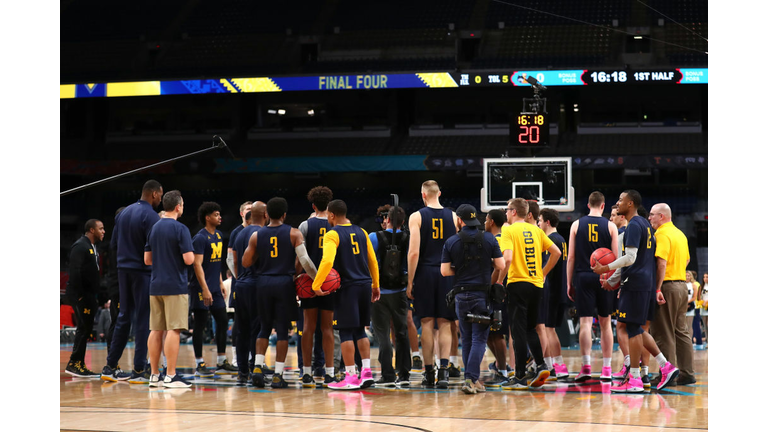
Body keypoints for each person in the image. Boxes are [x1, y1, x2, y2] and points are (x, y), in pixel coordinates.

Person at [593, 190, 679, 392]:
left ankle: (634, 380)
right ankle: (665, 366)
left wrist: (606, 269)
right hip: (645, 283)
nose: (618, 202)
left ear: (630, 204)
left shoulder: (633, 225)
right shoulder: (646, 226)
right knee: (636, 328)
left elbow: (630, 258)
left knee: (631, 329)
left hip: (636, 283)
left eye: (621, 200)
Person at [243, 197, 318, 389]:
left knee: (264, 328)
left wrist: (261, 254)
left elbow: (245, 262)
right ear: (285, 215)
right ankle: (277, 374)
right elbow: (305, 260)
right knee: (283, 331)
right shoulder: (294, 233)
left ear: (267, 215)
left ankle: (258, 367)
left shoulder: (256, 236)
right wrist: (316, 279)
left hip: (263, 282)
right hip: (284, 282)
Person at [313, 199, 380, 390]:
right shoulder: (362, 231)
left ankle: (350, 376)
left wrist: (317, 284)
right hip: (364, 284)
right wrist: (375, 285)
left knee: (345, 332)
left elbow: (327, 261)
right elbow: (372, 261)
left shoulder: (332, 234)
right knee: (360, 330)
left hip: (347, 287)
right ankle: (366, 373)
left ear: (332, 215)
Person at [102, 180, 163, 382]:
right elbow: (154, 249)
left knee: (123, 316)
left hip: (122, 270)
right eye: (160, 195)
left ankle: (110, 367)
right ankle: (138, 369)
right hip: (142, 271)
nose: (160, 200)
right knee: (143, 319)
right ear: (154, 194)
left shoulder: (124, 213)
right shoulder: (152, 216)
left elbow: (114, 244)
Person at [498, 198, 561, 390]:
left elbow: (507, 258)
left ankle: (519, 377)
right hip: (536, 285)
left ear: (514, 212)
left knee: (517, 332)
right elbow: (556, 252)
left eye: (507, 210)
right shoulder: (536, 230)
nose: (506, 213)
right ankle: (541, 365)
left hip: (518, 283)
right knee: (530, 328)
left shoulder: (508, 230)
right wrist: (543, 272)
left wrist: (500, 280)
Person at [441, 204, 505, 394]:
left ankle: (471, 379)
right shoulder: (489, 238)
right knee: (479, 338)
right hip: (481, 295)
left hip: (461, 295)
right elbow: (500, 265)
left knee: (467, 338)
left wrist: (461, 269)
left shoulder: (451, 241)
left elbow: (444, 271)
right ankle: (471, 379)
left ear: (460, 220)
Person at [406, 180, 458, 388]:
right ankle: (444, 372)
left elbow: (414, 252)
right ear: (440, 193)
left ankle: (429, 373)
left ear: (423, 195)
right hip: (447, 273)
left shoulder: (417, 216)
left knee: (427, 323)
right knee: (445, 322)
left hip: (425, 272)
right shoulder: (453, 216)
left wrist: (410, 281)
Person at [567, 191, 619, 382]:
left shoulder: (576, 224)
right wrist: (614, 281)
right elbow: (616, 257)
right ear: (603, 206)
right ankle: (606, 369)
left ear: (588, 205)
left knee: (585, 323)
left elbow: (570, 257)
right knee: (605, 323)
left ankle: (586, 366)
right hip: (604, 277)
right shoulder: (611, 226)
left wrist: (569, 282)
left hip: (583, 275)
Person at [144, 190, 194, 388]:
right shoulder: (180, 228)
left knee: (156, 330)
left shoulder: (154, 228)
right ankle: (171, 375)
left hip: (155, 285)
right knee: (174, 329)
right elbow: (189, 259)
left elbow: (147, 260)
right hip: (175, 285)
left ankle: (154, 375)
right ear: (178, 206)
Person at [648, 203, 696, 386]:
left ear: (661, 216)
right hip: (682, 286)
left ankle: (667, 375)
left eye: (652, 215)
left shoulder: (661, 234)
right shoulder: (680, 234)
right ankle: (687, 372)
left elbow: (661, 262)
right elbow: (687, 259)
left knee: (663, 332)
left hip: (667, 286)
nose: (649, 218)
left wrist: (657, 288)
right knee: (681, 331)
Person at [189, 202, 238, 377]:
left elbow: (215, 264)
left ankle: (221, 361)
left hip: (215, 289)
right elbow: (197, 265)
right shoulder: (200, 238)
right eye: (216, 215)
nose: (220, 217)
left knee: (223, 321)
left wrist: (219, 284)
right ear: (207, 217)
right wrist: (205, 289)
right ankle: (199, 363)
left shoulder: (218, 235)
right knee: (200, 325)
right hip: (201, 289)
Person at [297, 186, 337, 387]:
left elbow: (300, 257)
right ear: (329, 205)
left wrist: (297, 277)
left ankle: (306, 372)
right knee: (328, 328)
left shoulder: (305, 225)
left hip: (309, 283)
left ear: (313, 205)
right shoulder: (335, 224)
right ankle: (329, 373)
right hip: (330, 282)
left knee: (307, 328)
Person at [369, 205, 411, 387]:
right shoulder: (409, 238)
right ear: (403, 222)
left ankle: (387, 374)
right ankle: (404, 375)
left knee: (383, 334)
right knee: (401, 333)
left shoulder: (374, 237)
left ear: (387, 219)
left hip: (379, 291)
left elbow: (367, 263)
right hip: (401, 291)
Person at [230, 202, 267, 384]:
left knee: (241, 330)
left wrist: (239, 278)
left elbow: (235, 261)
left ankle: (242, 371)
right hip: (256, 285)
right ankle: (255, 369)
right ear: (265, 215)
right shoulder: (262, 233)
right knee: (256, 329)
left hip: (241, 284)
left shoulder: (239, 233)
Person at [65, 219, 106, 377]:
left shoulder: (92, 247)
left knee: (86, 329)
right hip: (81, 295)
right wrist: (80, 296)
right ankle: (74, 363)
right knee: (83, 329)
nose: (103, 231)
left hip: (89, 295)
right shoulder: (80, 246)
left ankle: (79, 363)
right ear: (91, 230)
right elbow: (74, 272)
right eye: (100, 229)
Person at [538, 208, 570, 380]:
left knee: (548, 330)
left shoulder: (549, 241)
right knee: (550, 329)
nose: (538, 224)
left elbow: (546, 269)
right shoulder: (561, 239)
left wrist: (541, 274)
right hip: (560, 289)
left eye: (540, 221)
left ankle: (558, 365)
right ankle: (551, 365)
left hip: (551, 290)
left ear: (547, 222)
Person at [483, 209, 513, 386]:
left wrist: (494, 283)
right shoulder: (505, 238)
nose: (484, 223)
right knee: (488, 332)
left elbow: (502, 265)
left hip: (497, 290)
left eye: (486, 219)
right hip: (499, 288)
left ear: (492, 221)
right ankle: (500, 365)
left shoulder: (495, 240)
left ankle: (502, 371)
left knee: (497, 332)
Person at [226, 201, 252, 366]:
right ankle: (236, 357)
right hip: (241, 281)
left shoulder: (259, 230)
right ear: (242, 213)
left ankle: (253, 357)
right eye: (248, 209)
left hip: (253, 282)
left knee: (255, 319)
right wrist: (240, 276)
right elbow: (230, 259)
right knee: (239, 319)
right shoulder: (237, 232)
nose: (251, 212)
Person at [609, 204, 632, 380]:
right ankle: (640, 369)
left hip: (629, 285)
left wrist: (611, 282)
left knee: (622, 327)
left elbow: (624, 263)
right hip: (640, 284)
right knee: (637, 329)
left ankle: (629, 366)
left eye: (614, 215)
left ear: (622, 217)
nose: (611, 219)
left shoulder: (622, 235)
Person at [104, 207, 125, 353]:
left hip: (122, 284)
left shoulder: (120, 235)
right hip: (118, 285)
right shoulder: (118, 237)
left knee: (121, 321)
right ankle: (111, 361)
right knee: (117, 321)